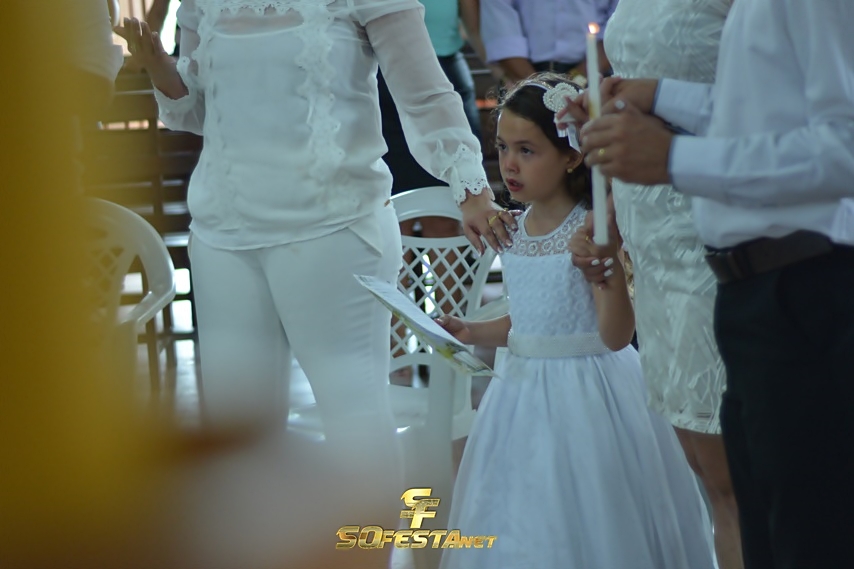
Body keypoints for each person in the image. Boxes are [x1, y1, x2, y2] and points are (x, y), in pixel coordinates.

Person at [114, 1, 516, 566]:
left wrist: (470, 188)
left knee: (353, 412)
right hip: (223, 230)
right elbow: (197, 113)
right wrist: (159, 63)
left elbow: (425, 94)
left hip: (334, 225)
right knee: (235, 422)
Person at [576, 1, 854, 566]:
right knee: (758, 518)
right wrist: (657, 97)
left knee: (806, 532)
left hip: (806, 278)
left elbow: (844, 148)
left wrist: (677, 157)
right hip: (745, 285)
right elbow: (758, 117)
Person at [436, 74, 716, 569]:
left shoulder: (593, 229)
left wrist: (606, 273)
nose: (509, 164)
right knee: (521, 516)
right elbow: (530, 323)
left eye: (527, 150)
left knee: (590, 513)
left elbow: (616, 335)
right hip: (518, 396)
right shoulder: (513, 230)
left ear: (571, 155)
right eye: (502, 148)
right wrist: (472, 330)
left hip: (587, 395)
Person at [563, 2, 743, 567]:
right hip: (655, 246)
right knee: (705, 469)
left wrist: (656, 96)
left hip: (720, 240)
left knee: (740, 480)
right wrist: (611, 202)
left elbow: (777, 112)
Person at [480, 0, 617, 85]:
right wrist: (536, 87)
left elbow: (618, 26)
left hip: (594, 72)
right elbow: (502, 32)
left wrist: (577, 79)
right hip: (522, 75)